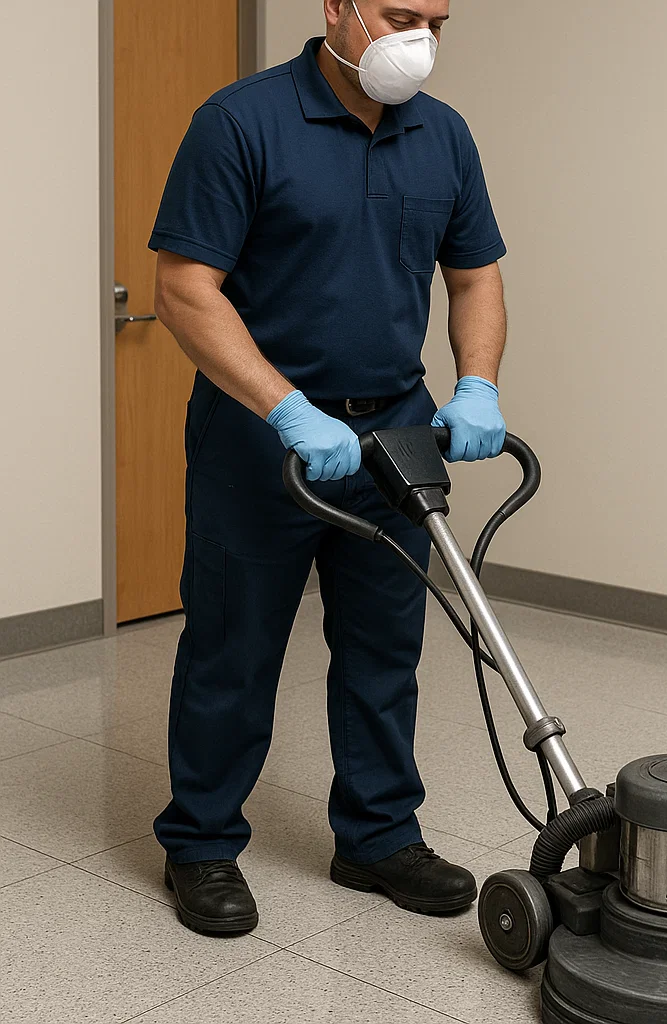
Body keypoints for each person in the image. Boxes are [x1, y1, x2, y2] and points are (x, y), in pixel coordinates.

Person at [150, 0, 507, 934]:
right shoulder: (241, 122)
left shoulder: (445, 135)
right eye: (399, 13)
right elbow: (185, 289)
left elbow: (474, 275)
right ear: (337, 8)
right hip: (263, 439)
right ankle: (200, 844)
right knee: (234, 649)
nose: (419, 37)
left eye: (437, 17)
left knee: (386, 650)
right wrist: (286, 409)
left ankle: (379, 836)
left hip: (396, 434)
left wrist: (477, 387)